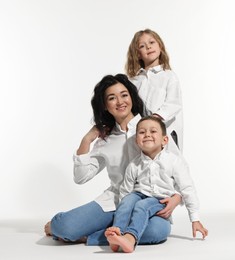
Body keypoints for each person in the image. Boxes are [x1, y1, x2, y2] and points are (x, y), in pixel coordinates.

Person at [44, 74, 182, 245]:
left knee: (157, 231)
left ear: (131, 96)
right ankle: (106, 229)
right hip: (115, 201)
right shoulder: (106, 139)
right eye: (112, 98)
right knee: (64, 228)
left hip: (151, 202)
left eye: (124, 95)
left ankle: (93, 236)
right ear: (105, 105)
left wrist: (177, 198)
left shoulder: (151, 127)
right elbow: (81, 177)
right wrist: (87, 140)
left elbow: (178, 168)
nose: (120, 101)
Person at [105, 116, 208, 253]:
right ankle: (117, 233)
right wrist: (124, 208)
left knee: (143, 205)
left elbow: (187, 189)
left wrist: (195, 219)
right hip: (138, 194)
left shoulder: (174, 161)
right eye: (142, 132)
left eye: (153, 131)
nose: (147, 134)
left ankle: (130, 239)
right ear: (137, 141)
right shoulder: (134, 164)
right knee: (127, 200)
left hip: (161, 198)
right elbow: (125, 190)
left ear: (164, 140)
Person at [125, 28, 183, 152]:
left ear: (160, 46)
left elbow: (174, 104)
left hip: (166, 133)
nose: (148, 47)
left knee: (168, 166)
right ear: (138, 54)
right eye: (142, 45)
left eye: (152, 43)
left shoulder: (169, 76)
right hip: (144, 136)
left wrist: (155, 119)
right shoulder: (134, 81)